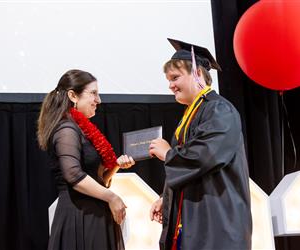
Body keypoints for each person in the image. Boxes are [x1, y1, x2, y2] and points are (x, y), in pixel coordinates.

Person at [149, 38, 252, 250]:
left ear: (197, 73)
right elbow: (190, 167)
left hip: (217, 221)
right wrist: (166, 197)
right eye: (168, 80)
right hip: (194, 220)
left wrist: (168, 153)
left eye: (175, 77)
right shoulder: (193, 113)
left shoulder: (219, 110)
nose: (170, 85)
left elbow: (206, 156)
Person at [37, 69, 135, 250]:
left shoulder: (80, 129)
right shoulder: (66, 129)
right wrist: (112, 197)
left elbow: (99, 179)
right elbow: (73, 175)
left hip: (94, 216)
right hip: (79, 216)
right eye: (93, 93)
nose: (99, 100)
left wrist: (115, 167)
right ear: (73, 96)